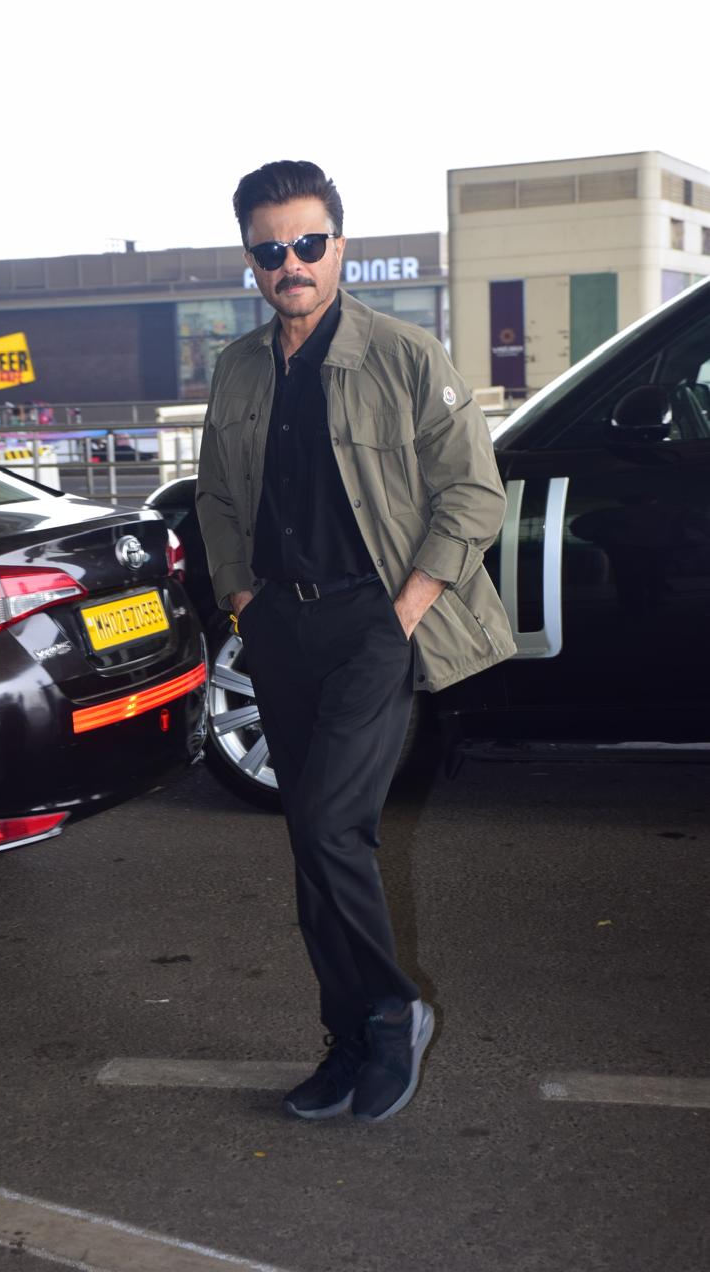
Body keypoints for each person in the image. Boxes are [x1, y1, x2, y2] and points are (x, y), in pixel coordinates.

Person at [196, 160, 516, 1124]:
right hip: (278, 624)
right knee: (310, 840)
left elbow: (474, 494)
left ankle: (389, 1012)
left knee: (332, 825)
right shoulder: (240, 367)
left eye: (306, 242)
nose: (289, 263)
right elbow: (215, 497)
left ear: (340, 247)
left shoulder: (404, 357)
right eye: (269, 249)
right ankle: (344, 1037)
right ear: (250, 260)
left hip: (373, 619)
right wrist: (240, 598)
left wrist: (407, 607)